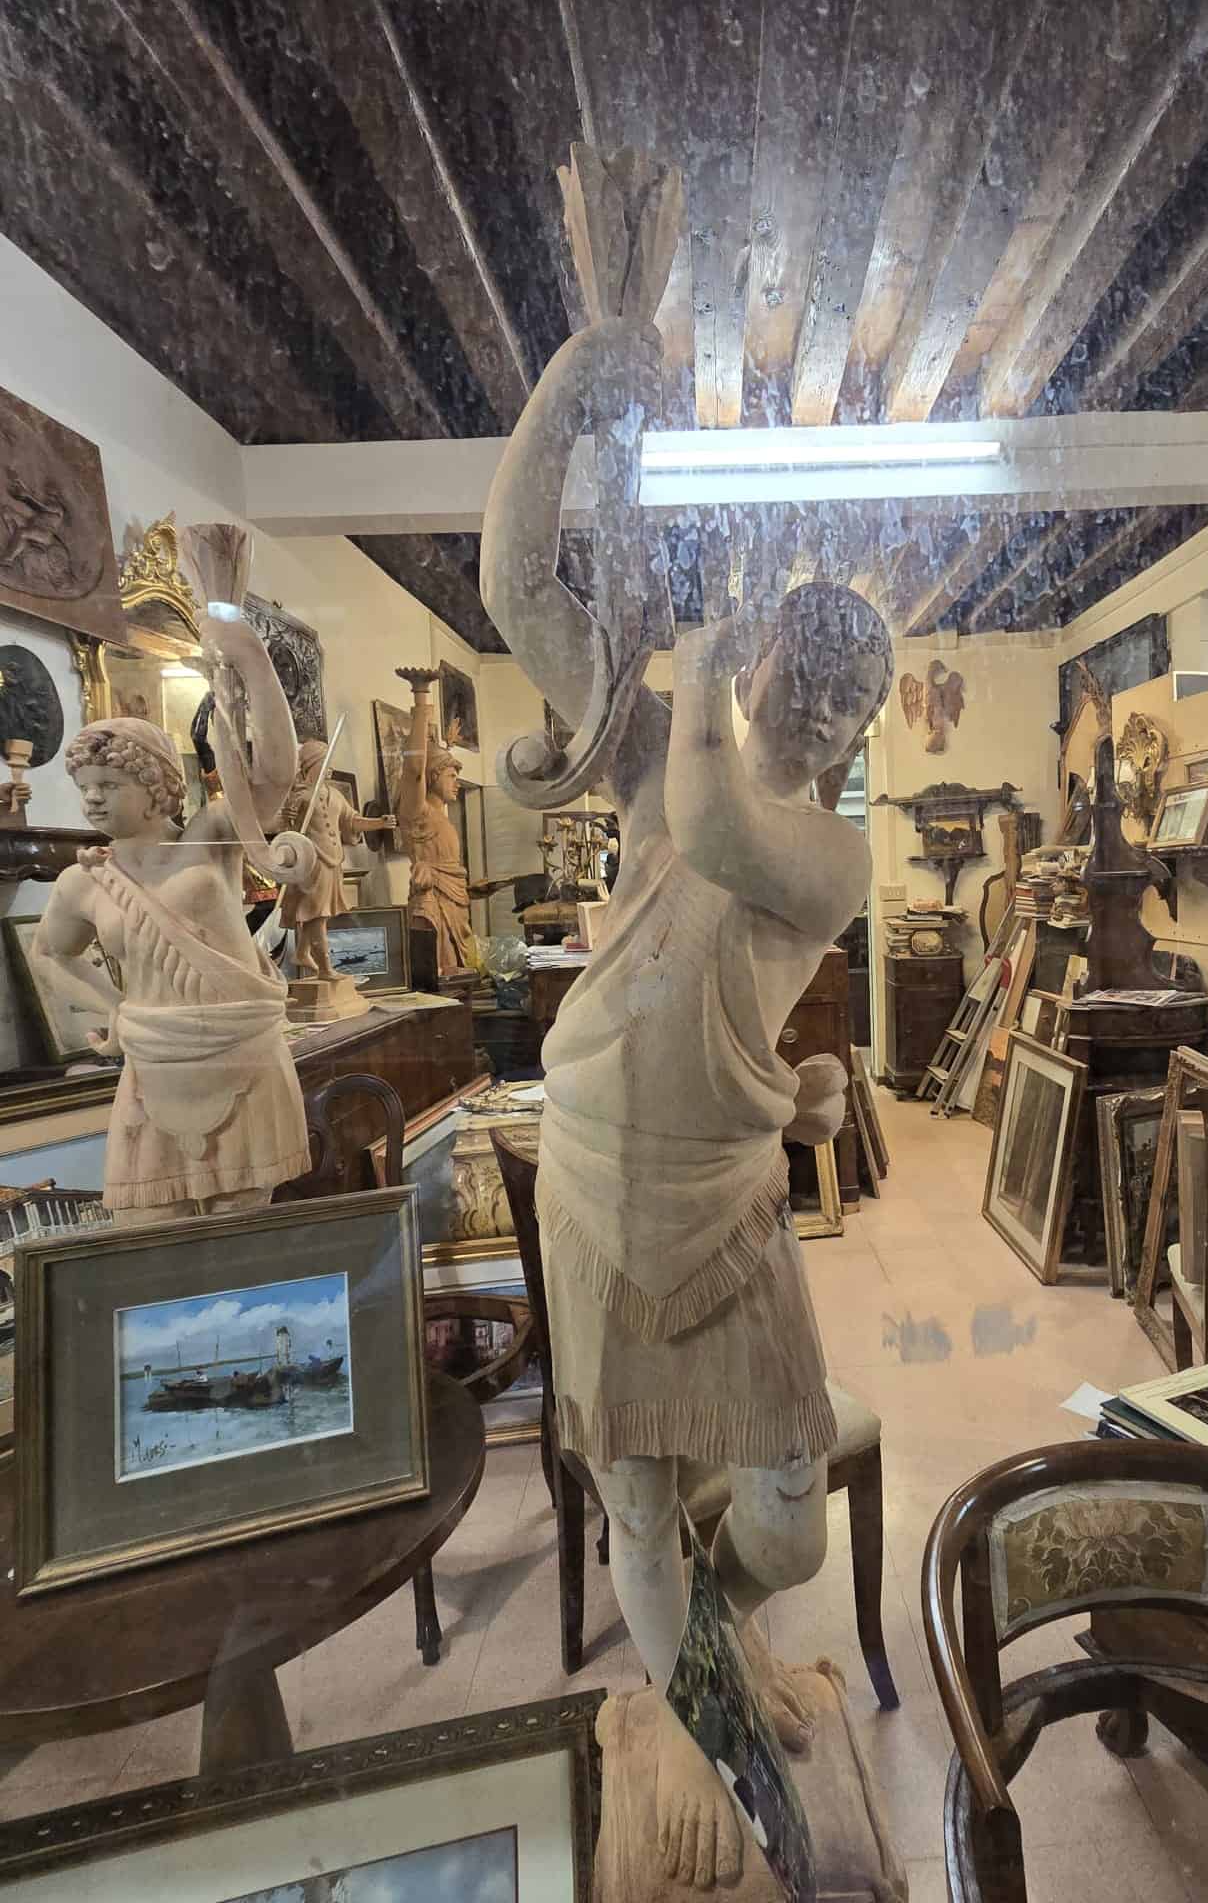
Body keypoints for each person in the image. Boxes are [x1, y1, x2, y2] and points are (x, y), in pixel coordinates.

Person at [481, 317, 892, 1883]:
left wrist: (708, 661)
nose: (828, 706)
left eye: (854, 696)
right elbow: (518, 584)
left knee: (788, 1513)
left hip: (725, 1201)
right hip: (593, 1169)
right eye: (815, 671)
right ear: (778, 659)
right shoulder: (654, 747)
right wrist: (572, 380)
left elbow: (719, 835)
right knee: (636, 1507)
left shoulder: (830, 853)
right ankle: (711, 1731)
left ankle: (716, 1650)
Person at [34, 609, 309, 1222]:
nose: (93, 797)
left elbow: (274, 777)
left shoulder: (210, 836)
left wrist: (252, 659)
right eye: (85, 786)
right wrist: (115, 1007)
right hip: (154, 1061)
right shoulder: (84, 880)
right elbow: (48, 953)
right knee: (147, 1234)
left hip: (241, 1052)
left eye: (109, 783)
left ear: (156, 784)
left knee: (243, 1234)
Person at [278, 739, 393, 980]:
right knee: (317, 914)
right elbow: (284, 828)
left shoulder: (336, 795)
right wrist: (287, 817)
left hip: (333, 861)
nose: (329, 768)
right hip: (312, 862)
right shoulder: (300, 796)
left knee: (322, 913)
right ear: (312, 765)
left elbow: (353, 821)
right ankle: (325, 968)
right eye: (325, 762)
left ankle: (302, 952)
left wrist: (379, 823)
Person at [394, 671, 472, 975]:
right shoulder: (418, 812)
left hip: (455, 904)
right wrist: (421, 698)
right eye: (451, 775)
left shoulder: (442, 817)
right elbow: (414, 768)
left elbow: (448, 868)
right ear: (433, 775)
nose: (457, 783)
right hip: (433, 906)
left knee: (458, 976)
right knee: (442, 974)